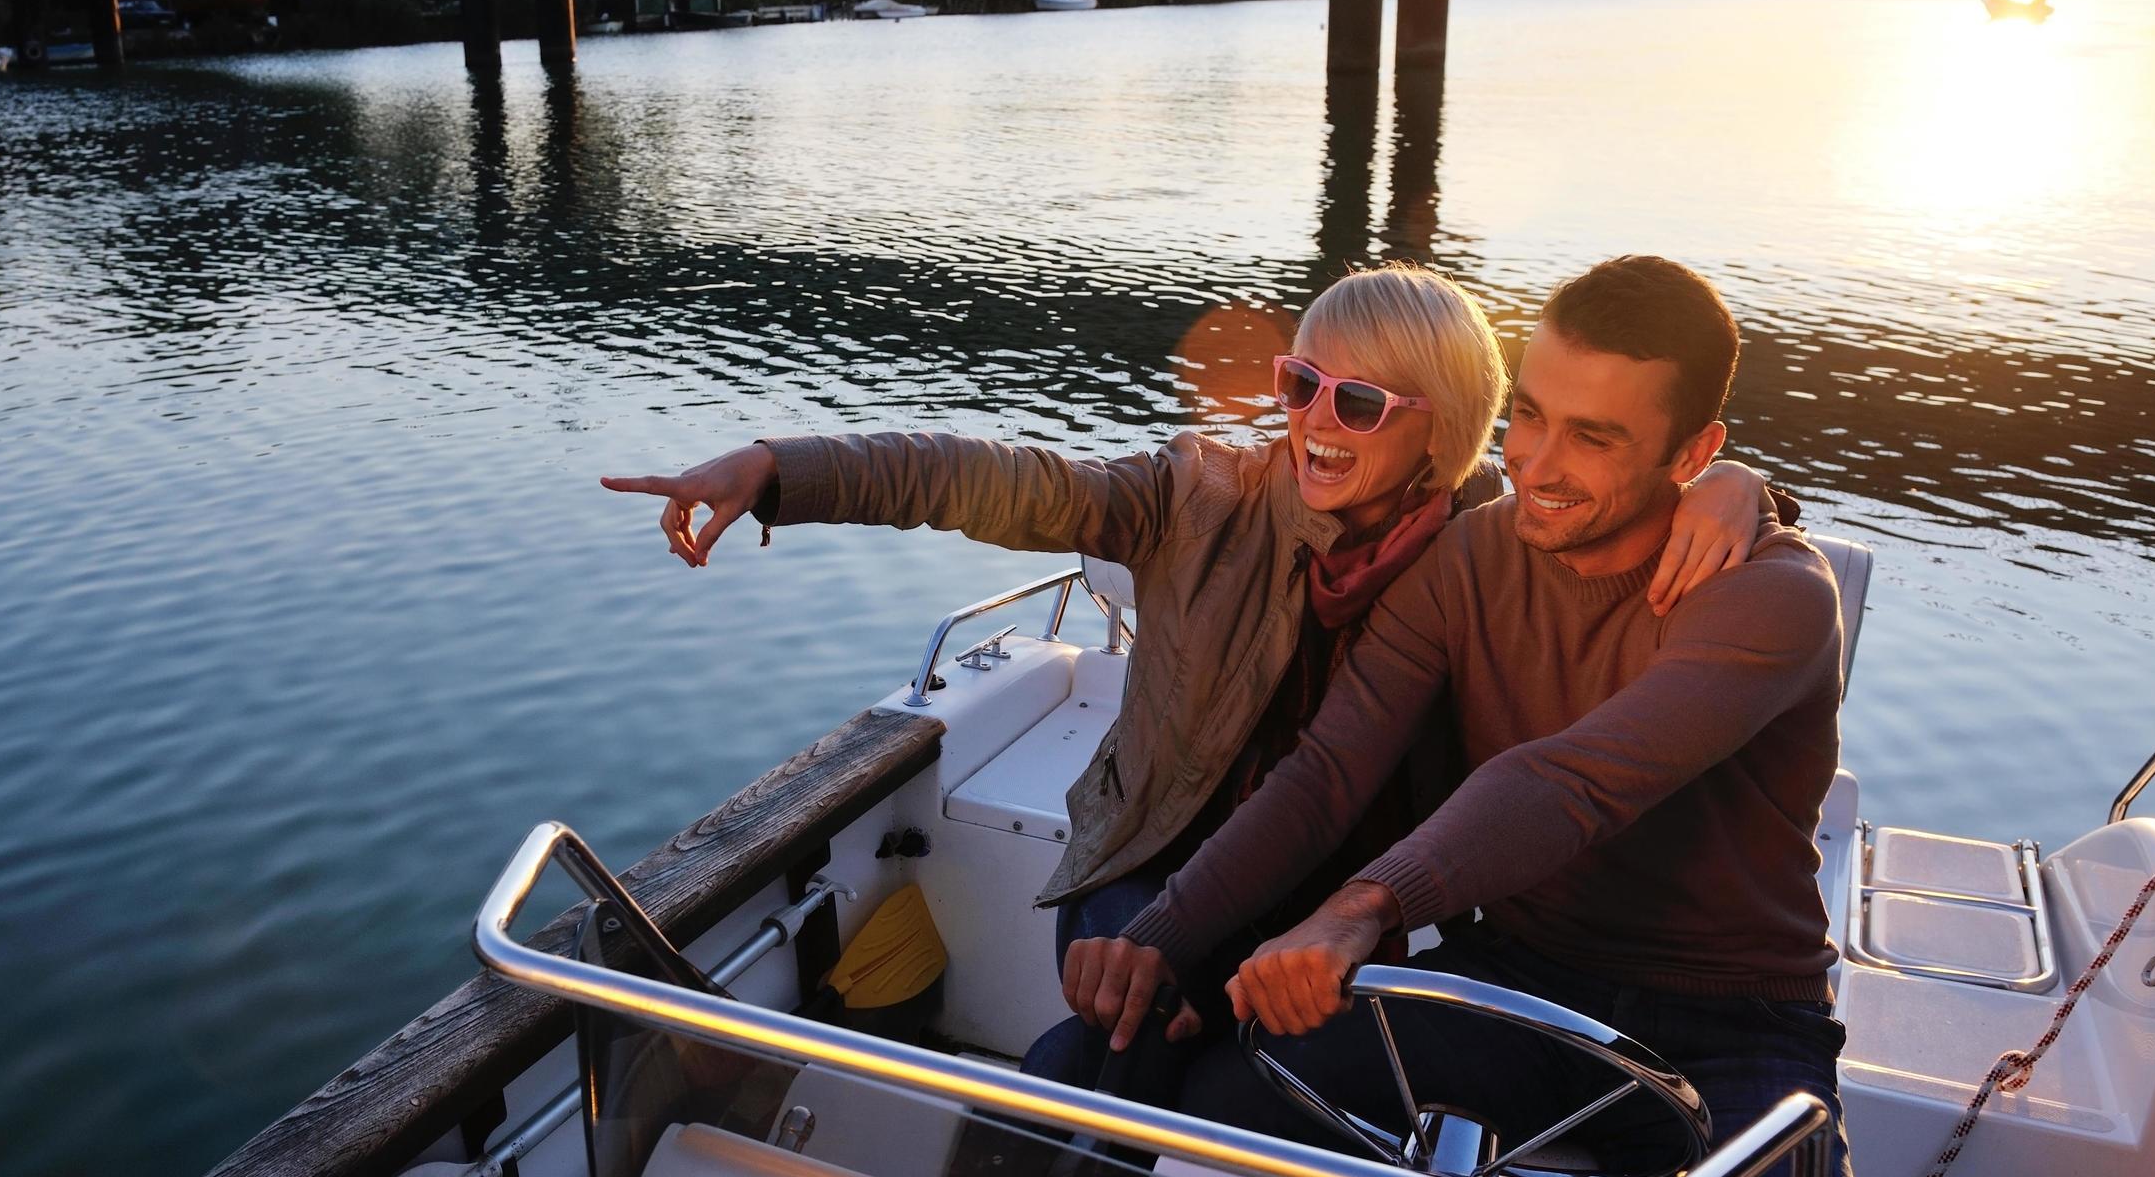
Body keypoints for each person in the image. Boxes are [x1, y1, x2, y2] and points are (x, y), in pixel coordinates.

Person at [1075, 255, 1899, 1177]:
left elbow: (1570, 781)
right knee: (1130, 1054)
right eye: (1530, 417)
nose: (1540, 464)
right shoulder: (1472, 551)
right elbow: (1330, 775)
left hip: (1739, 1039)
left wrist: (1359, 913)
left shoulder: (1773, 598)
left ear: (1700, 457)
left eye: (1597, 436)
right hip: (1518, 984)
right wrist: (1168, 941)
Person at [601, 266, 1788, 1090]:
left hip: (1344, 886)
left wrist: (1747, 492)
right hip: (1159, 857)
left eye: (1361, 401)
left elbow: (1624, 494)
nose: (1316, 422)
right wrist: (778, 468)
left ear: (1449, 429)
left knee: (1226, 1057)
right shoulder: (1198, 495)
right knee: (1128, 1034)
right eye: (1299, 382)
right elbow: (982, 477)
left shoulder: (1485, 537)